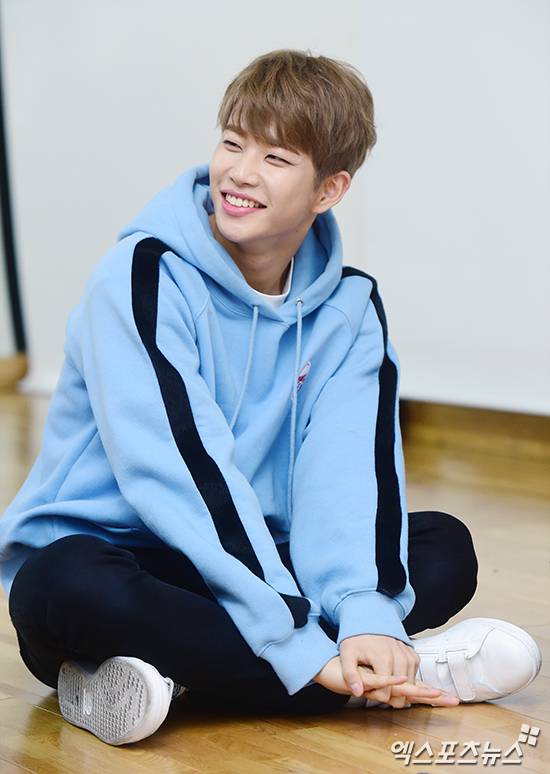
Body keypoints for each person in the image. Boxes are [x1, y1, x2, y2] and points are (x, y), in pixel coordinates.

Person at [0, 48, 541, 747]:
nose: (240, 173)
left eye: (276, 158)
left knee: (442, 547)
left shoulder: (350, 308)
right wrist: (296, 642)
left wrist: (365, 610)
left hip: (262, 566)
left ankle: (182, 676)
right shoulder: (142, 276)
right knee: (63, 580)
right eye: (232, 143)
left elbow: (348, 472)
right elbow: (181, 473)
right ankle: (376, 673)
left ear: (329, 190)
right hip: (128, 558)